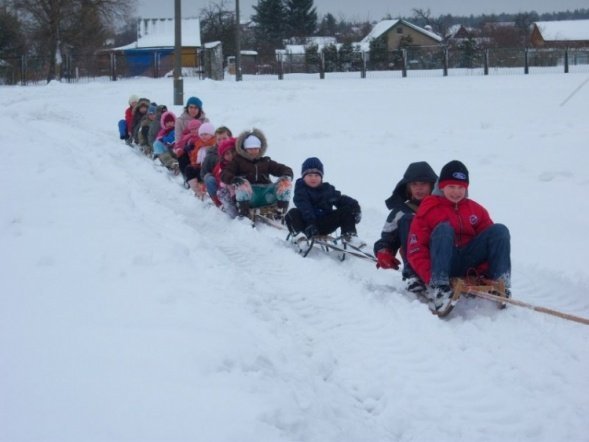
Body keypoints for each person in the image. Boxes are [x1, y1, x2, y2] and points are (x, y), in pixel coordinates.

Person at [407, 160, 511, 312]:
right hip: (442, 264)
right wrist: (430, 277)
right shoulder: (429, 209)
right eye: (451, 186)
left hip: (469, 260)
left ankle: (500, 283)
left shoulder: (476, 210)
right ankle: (440, 289)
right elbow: (416, 248)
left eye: (460, 187)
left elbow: (492, 244)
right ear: (442, 186)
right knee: (444, 229)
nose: (456, 192)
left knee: (500, 231)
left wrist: (481, 274)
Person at [373, 161, 438, 295]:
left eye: (423, 184)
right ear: (408, 187)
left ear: (432, 186)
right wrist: (384, 251)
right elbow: (386, 239)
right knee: (409, 220)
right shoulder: (401, 212)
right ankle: (412, 276)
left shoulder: (441, 208)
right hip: (415, 256)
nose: (419, 188)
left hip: (439, 254)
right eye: (414, 184)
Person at [285, 157, 362, 243]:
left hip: (324, 224)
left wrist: (355, 206)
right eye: (310, 175)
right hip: (306, 225)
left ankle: (350, 236)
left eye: (316, 175)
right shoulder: (301, 190)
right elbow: (304, 207)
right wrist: (310, 222)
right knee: (292, 213)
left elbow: (340, 199)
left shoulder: (327, 190)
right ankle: (300, 237)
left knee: (346, 211)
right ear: (303, 177)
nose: (313, 178)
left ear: (321, 177)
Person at [220, 128, 293, 218]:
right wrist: (234, 179)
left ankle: (281, 211)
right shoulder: (237, 161)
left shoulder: (266, 161)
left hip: (266, 194)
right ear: (245, 149)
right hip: (250, 195)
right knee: (242, 183)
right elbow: (225, 173)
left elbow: (283, 169)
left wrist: (287, 176)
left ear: (260, 148)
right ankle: (244, 215)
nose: (253, 151)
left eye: (256, 148)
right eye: (250, 149)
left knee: (285, 183)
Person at [201, 126, 233, 205]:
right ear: (215, 140)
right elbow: (203, 173)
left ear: (230, 137)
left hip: (234, 178)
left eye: (224, 138)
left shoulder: (236, 151)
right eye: (219, 139)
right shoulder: (211, 154)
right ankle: (219, 203)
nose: (222, 141)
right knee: (208, 179)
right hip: (219, 182)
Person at [185, 122, 216, 198]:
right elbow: (194, 157)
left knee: (203, 174)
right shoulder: (199, 144)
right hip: (200, 167)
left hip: (210, 169)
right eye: (201, 135)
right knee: (189, 169)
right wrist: (194, 164)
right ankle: (198, 192)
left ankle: (205, 190)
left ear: (211, 134)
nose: (203, 136)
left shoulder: (214, 144)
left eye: (206, 134)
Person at [213, 137, 238, 215]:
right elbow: (220, 178)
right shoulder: (223, 166)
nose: (231, 155)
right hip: (229, 189)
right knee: (222, 192)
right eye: (227, 154)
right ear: (223, 157)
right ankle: (233, 212)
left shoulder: (241, 162)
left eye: (233, 152)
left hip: (243, 187)